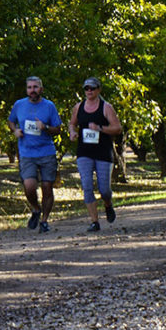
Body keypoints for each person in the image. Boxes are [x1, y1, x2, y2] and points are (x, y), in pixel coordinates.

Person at [7, 76, 63, 233]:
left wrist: (45, 127)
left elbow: (58, 129)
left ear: (41, 89)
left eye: (35, 87)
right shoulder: (19, 105)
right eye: (29, 87)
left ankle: (44, 221)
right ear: (26, 90)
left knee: (47, 187)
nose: (32, 90)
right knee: (29, 186)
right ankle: (36, 209)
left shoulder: (49, 106)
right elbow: (11, 121)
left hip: (46, 152)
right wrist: (15, 130)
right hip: (27, 153)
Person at [69, 77, 122, 232]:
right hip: (84, 152)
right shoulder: (78, 107)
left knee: (104, 189)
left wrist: (100, 128)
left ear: (99, 89)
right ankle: (94, 222)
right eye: (86, 88)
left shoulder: (106, 107)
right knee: (87, 186)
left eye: (92, 88)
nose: (89, 91)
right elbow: (72, 123)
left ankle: (108, 204)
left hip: (103, 152)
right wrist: (72, 132)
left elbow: (117, 128)